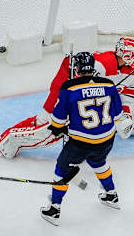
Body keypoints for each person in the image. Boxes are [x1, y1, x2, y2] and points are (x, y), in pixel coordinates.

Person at [0, 37, 134, 158]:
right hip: (66, 80)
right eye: (131, 55)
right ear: (123, 53)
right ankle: (12, 137)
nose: (133, 59)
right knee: (47, 120)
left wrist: (127, 117)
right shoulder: (103, 64)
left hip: (82, 87)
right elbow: (82, 86)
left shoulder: (129, 70)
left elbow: (127, 96)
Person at [40, 52, 124, 226]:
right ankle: (111, 195)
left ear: (76, 69)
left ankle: (54, 208)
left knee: (62, 169)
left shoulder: (69, 87)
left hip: (81, 142)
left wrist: (57, 128)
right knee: (99, 163)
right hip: (107, 139)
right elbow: (118, 114)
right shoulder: (109, 84)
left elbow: (58, 117)